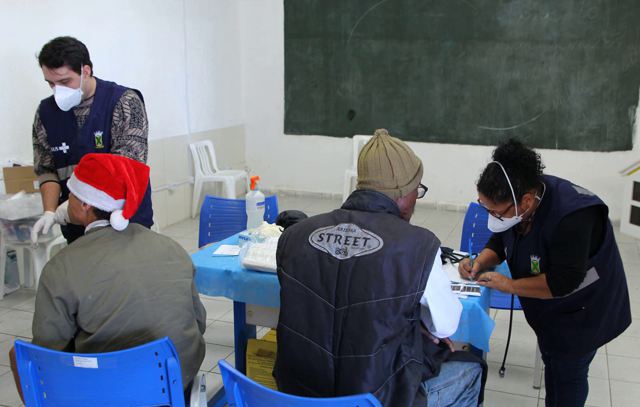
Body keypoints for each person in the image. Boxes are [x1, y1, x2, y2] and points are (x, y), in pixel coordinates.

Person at [274, 129, 484, 406]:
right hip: (377, 397)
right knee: (471, 369)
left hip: (298, 396)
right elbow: (445, 326)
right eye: (416, 191)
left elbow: (333, 309)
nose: (415, 201)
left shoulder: (294, 236)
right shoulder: (418, 245)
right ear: (400, 194)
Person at [10, 154, 206, 401]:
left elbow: (48, 351)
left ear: (85, 205)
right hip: (176, 383)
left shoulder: (61, 267)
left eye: (69, 193)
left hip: (105, 394)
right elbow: (199, 322)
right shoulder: (173, 248)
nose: (65, 200)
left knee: (17, 356)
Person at [458, 139, 631, 407]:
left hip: (585, 311)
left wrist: (509, 285)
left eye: (494, 211)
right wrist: (479, 261)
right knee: (554, 364)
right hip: (552, 310)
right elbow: (500, 238)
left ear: (526, 201)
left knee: (567, 377)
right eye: (485, 209)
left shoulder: (572, 217)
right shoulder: (519, 202)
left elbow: (562, 282)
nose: (491, 217)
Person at [30, 36, 153, 244]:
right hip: (78, 224)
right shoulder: (46, 113)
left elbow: (128, 166)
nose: (57, 89)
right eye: (50, 83)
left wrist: (69, 208)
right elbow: (47, 169)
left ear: (85, 71)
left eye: (64, 81)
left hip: (124, 222)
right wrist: (51, 211)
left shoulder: (124, 103)